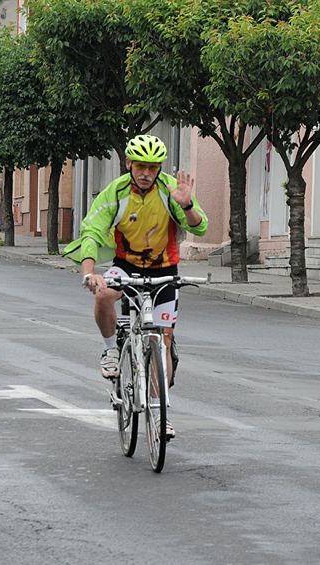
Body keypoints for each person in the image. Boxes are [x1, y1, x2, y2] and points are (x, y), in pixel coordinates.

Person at [63, 134, 208, 438]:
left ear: (159, 168)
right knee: (103, 294)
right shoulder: (115, 193)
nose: (146, 173)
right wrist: (90, 274)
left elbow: (199, 226)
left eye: (152, 167)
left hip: (164, 270)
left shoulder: (170, 189)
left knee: (163, 339)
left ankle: (159, 413)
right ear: (129, 163)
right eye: (141, 166)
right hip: (126, 265)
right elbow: (92, 233)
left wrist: (187, 205)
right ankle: (110, 351)